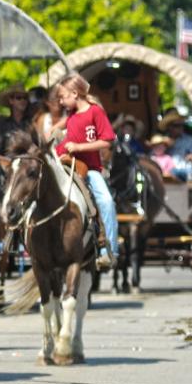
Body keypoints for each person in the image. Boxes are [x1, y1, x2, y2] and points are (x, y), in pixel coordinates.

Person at [51, 73, 118, 271]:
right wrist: (54, 130)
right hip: (66, 162)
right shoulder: (72, 114)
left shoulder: (95, 112)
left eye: (63, 97)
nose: (61, 102)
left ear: (75, 93)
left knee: (106, 201)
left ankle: (109, 250)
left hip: (89, 169)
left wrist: (79, 147)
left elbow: (107, 140)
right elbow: (67, 125)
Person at [160, 109, 192, 181]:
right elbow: (152, 157)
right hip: (166, 176)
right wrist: (164, 148)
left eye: (182, 125)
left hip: (185, 174)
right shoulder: (160, 141)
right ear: (169, 127)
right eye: (177, 125)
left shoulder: (190, 141)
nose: (181, 128)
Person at [0, 83, 31, 153]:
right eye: (19, 98)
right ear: (11, 100)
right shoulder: (2, 127)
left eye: (25, 98)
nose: (23, 100)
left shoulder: (32, 124)